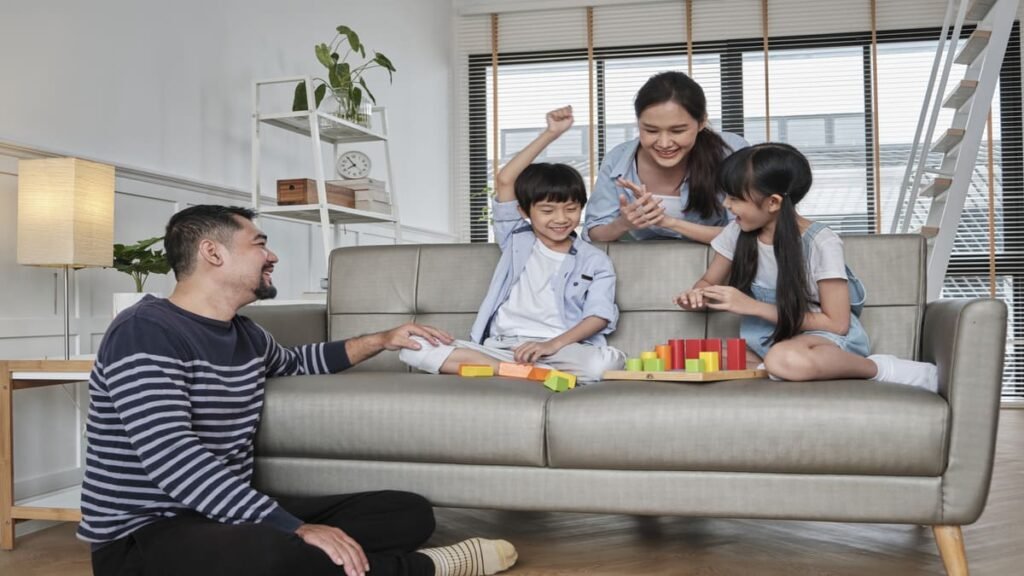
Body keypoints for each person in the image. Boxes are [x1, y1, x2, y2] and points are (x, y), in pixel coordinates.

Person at [80, 205, 518, 576]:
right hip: (144, 535)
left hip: (222, 515)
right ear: (212, 252)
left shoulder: (245, 334)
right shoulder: (146, 331)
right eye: (258, 244)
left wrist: (383, 339)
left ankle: (322, 561)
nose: (271, 256)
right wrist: (295, 528)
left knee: (405, 510)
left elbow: (298, 362)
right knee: (276, 551)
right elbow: (174, 459)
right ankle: (427, 567)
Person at [675, 143, 939, 392]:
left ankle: (879, 367)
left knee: (783, 357)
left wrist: (752, 306)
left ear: (773, 202)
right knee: (690, 355)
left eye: (735, 198)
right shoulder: (737, 232)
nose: (726, 205)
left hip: (823, 339)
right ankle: (777, 366)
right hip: (769, 340)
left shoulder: (821, 242)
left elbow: (837, 323)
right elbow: (708, 282)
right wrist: (697, 296)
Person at [401, 106, 625, 382]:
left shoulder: (594, 260)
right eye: (547, 211)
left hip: (561, 349)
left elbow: (599, 316)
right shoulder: (516, 239)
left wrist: (551, 345)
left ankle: (523, 373)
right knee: (412, 347)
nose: (560, 219)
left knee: (602, 364)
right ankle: (519, 372)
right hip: (502, 348)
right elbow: (505, 179)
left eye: (571, 209)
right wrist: (552, 133)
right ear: (524, 212)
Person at [584, 70, 748, 244]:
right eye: (651, 130)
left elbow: (744, 233)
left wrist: (671, 223)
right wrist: (622, 224)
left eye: (677, 131)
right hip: (648, 265)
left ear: (701, 123)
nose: (664, 143)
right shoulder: (617, 159)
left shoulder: (731, 151)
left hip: (720, 264)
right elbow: (595, 234)